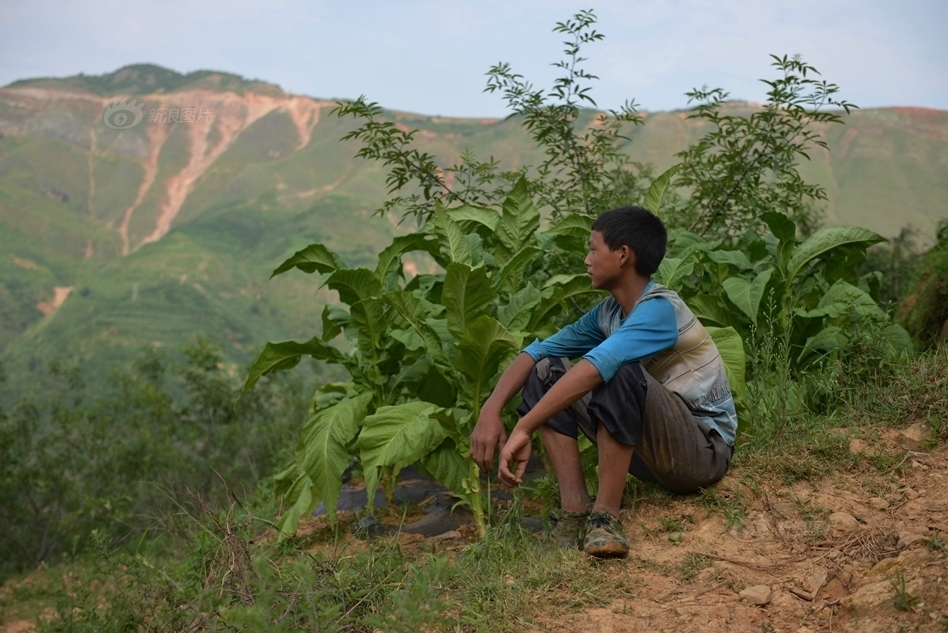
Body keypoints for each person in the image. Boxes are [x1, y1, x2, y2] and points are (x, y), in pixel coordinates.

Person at [470, 205, 737, 558]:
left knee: (619, 369)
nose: (587, 260)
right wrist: (490, 411)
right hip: (654, 453)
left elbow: (598, 368)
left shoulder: (659, 309)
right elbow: (536, 353)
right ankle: (575, 512)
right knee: (546, 370)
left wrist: (524, 426)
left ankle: (606, 517)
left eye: (593, 249)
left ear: (623, 255)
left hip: (702, 452)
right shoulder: (609, 313)